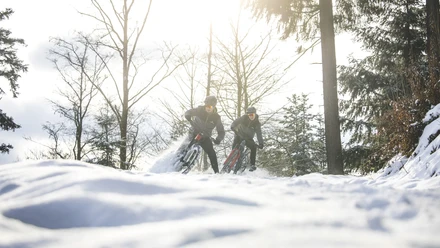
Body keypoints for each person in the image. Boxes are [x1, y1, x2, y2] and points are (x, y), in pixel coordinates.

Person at [184, 95, 225, 173]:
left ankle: (216, 172)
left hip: (205, 137)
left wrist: (218, 139)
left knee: (212, 153)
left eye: (211, 106)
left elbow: (221, 131)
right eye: (207, 106)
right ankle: (178, 158)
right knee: (185, 146)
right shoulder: (199, 110)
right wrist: (188, 116)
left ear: (214, 106)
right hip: (194, 132)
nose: (208, 108)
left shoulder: (216, 117)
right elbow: (189, 112)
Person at [230, 106, 264, 171]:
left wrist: (261, 143)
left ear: (255, 114)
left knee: (253, 147)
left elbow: (259, 134)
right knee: (235, 146)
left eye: (252, 114)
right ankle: (231, 160)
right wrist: (233, 126)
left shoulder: (257, 123)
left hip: (248, 138)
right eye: (249, 115)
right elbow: (236, 122)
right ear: (247, 115)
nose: (251, 116)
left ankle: (252, 165)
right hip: (239, 135)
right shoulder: (243, 118)